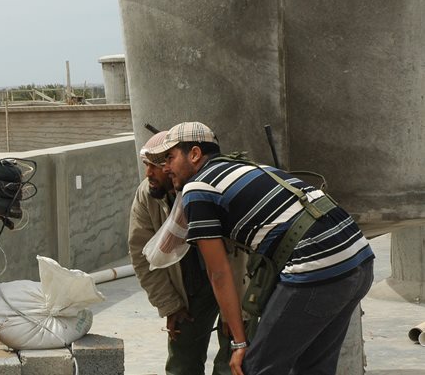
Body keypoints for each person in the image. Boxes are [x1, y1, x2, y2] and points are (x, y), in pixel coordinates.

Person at [148, 121, 375, 375]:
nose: (165, 167)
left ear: (195, 154)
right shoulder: (247, 167)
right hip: (360, 261)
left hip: (317, 269)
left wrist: (240, 342)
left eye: (170, 157)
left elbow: (219, 273)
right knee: (313, 367)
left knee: (252, 368)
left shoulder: (197, 188)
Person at [129, 131, 246, 375]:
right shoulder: (147, 195)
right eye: (146, 166)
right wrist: (170, 305)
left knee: (233, 361)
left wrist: (233, 314)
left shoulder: (212, 188)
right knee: (182, 365)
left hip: (232, 284)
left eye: (156, 166)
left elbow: (237, 260)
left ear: (173, 165)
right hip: (190, 287)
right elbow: (142, 256)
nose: (148, 173)